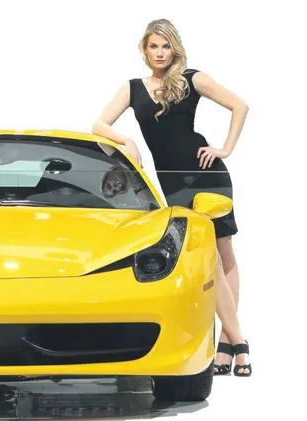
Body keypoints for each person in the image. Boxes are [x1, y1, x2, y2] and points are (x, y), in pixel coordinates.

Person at [92, 19, 251, 376]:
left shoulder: (192, 79)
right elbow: (99, 125)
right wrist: (127, 141)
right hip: (173, 182)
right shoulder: (133, 89)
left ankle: (231, 342)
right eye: (154, 46)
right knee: (205, 257)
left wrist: (225, 149)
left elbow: (240, 106)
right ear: (145, 49)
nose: (160, 53)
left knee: (222, 252)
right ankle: (234, 341)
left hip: (207, 175)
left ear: (174, 49)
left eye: (166, 46)